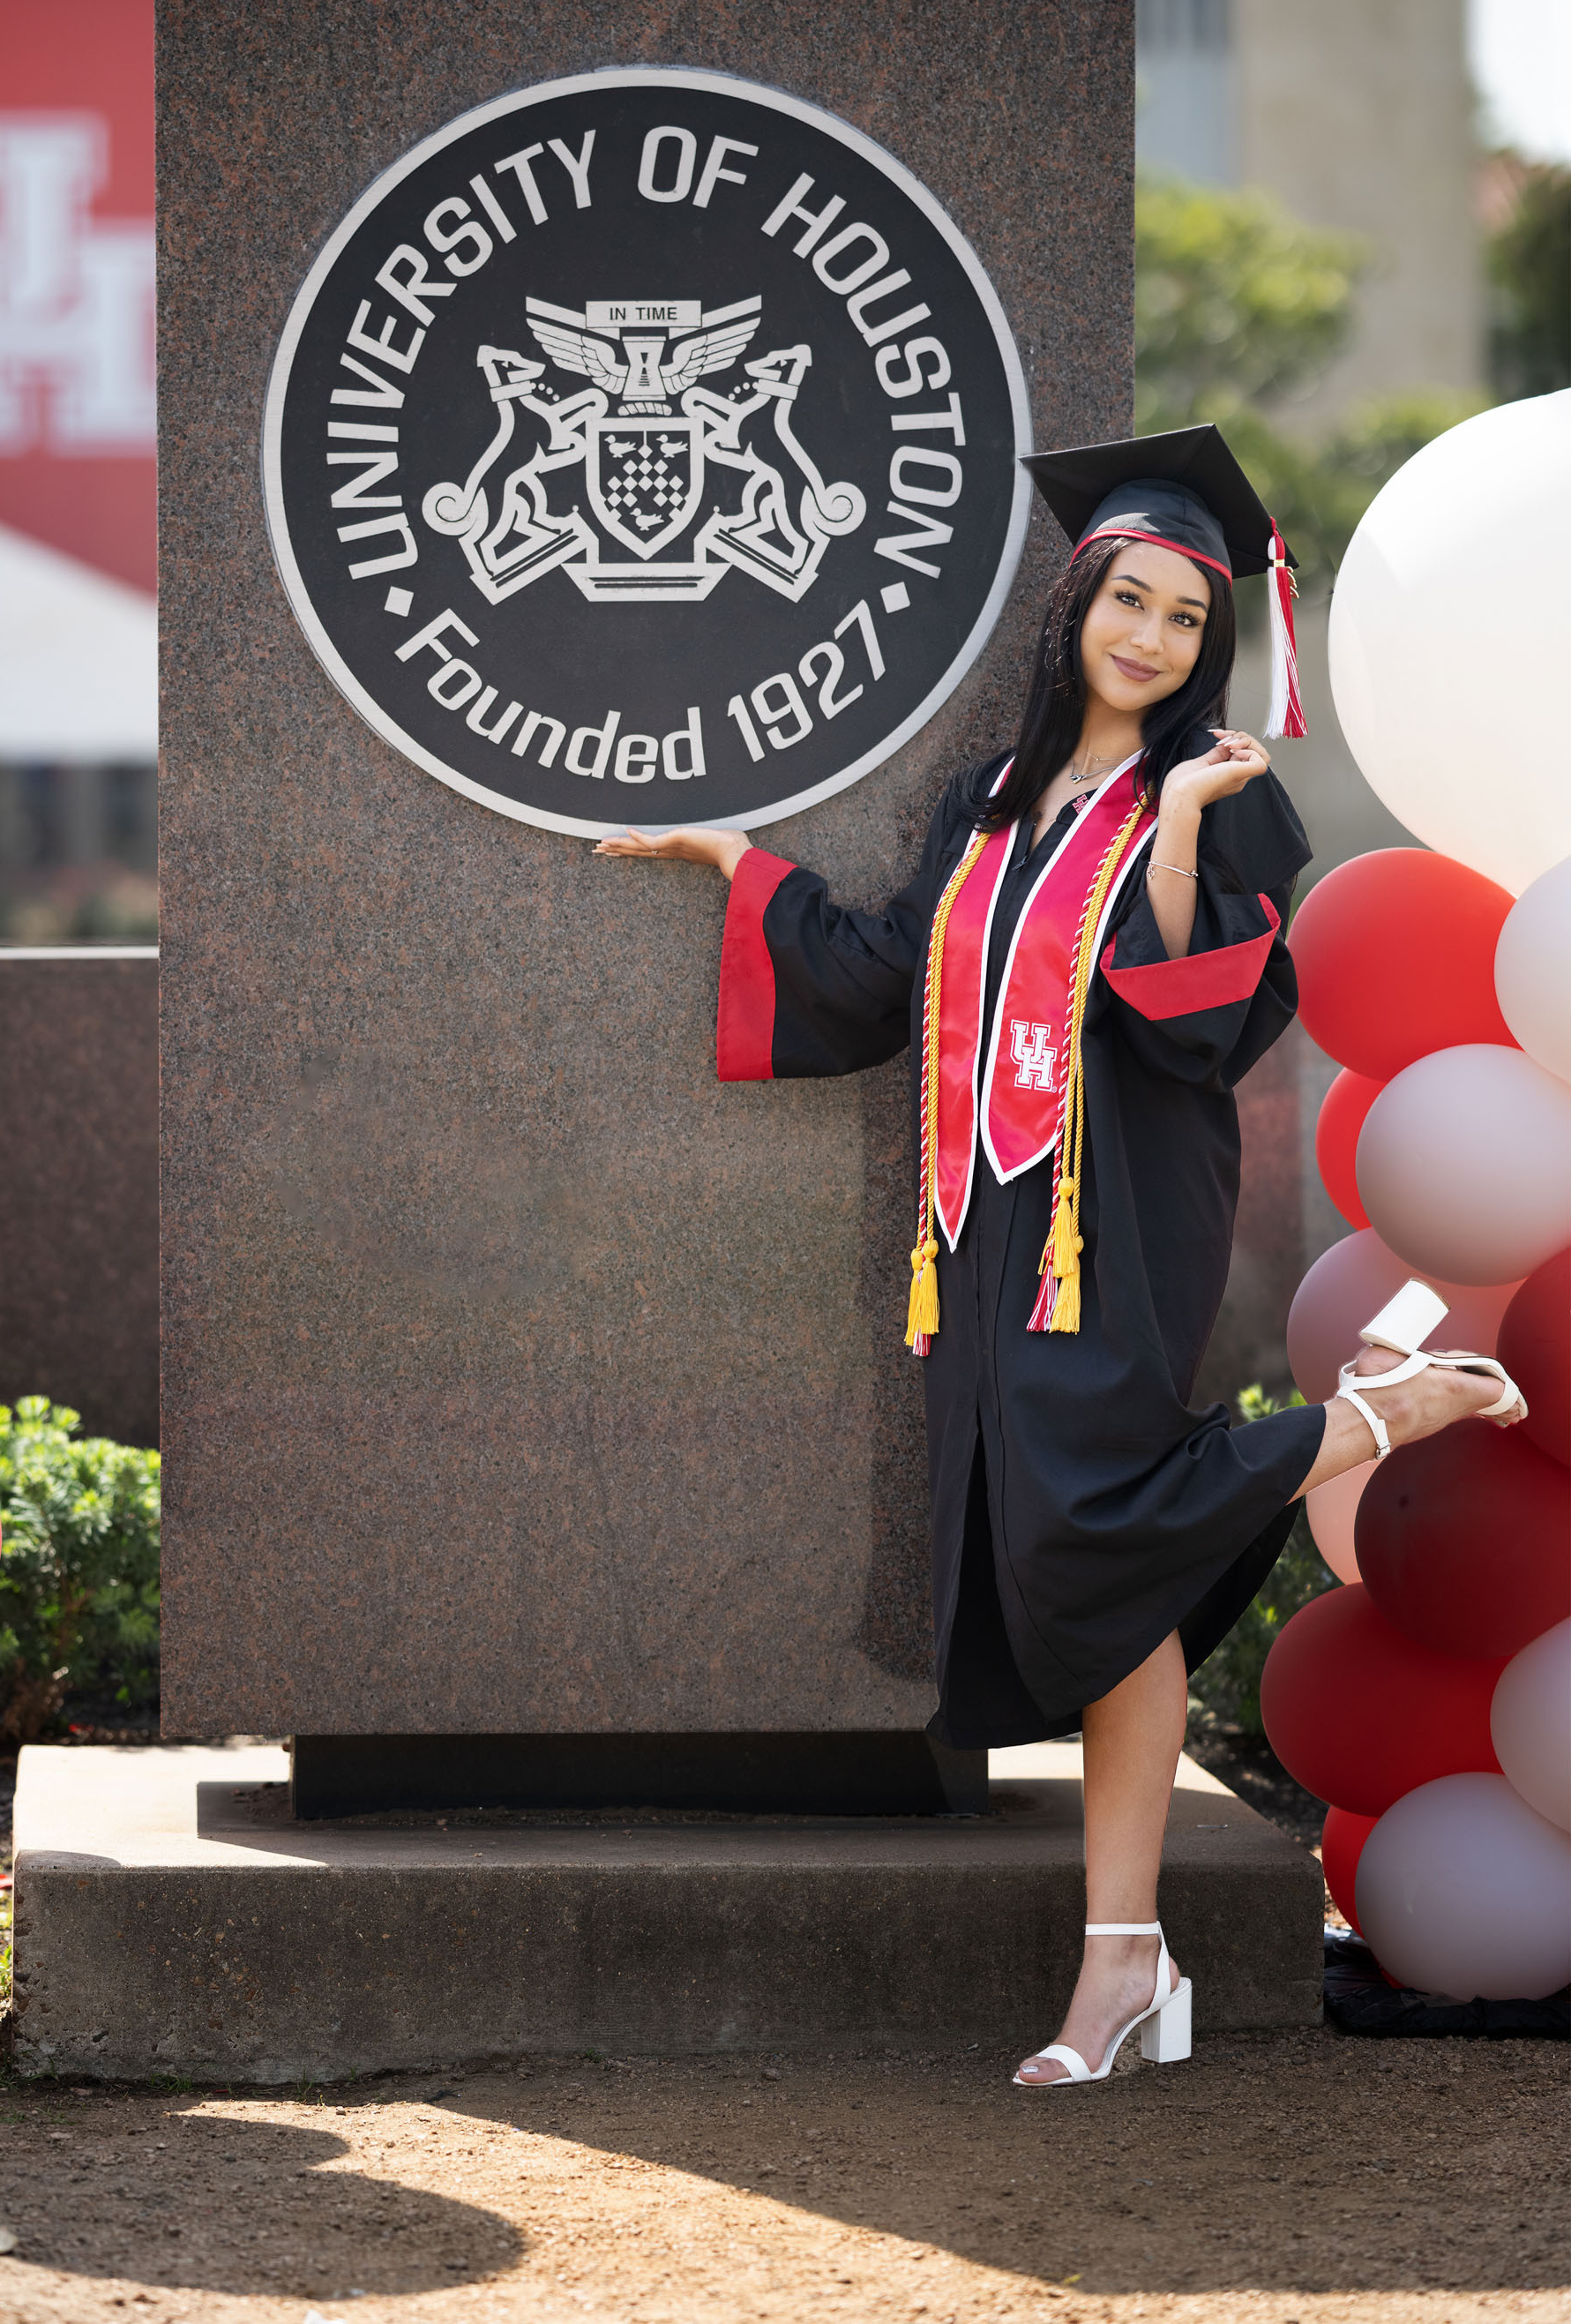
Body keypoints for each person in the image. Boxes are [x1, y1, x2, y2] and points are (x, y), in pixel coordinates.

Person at [595, 424, 1528, 2088]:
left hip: (1116, 1217)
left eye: (1186, 615)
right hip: (976, 1227)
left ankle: (1374, 1418)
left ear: (1213, 643)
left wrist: (1170, 828)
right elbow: (893, 972)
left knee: (1099, 1524)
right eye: (1128, 600)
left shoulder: (1229, 796)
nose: (1151, 637)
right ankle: (1126, 1962)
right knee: (1090, 1574)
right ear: (1075, 604)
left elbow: (1198, 1025)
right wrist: (743, 865)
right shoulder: (987, 801)